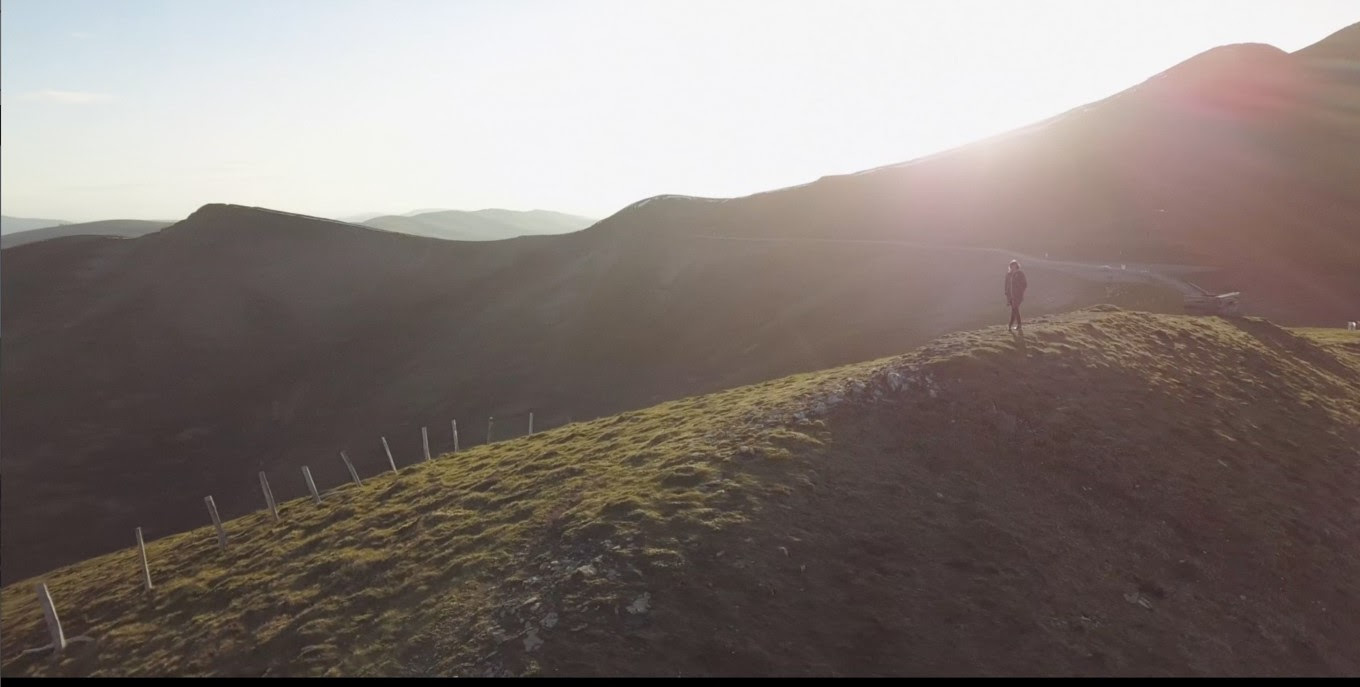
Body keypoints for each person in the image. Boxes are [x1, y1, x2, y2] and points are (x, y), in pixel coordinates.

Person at [1005, 259, 1027, 333]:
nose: (1013, 267)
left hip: (1018, 295)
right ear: (1010, 266)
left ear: (1017, 266)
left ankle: (1013, 325)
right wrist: (1007, 294)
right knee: (1014, 310)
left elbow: (1025, 284)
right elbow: (1006, 285)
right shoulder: (1008, 275)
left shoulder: (1020, 274)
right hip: (1010, 296)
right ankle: (1012, 326)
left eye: (1014, 265)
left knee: (1015, 309)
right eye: (1012, 265)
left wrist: (1020, 290)